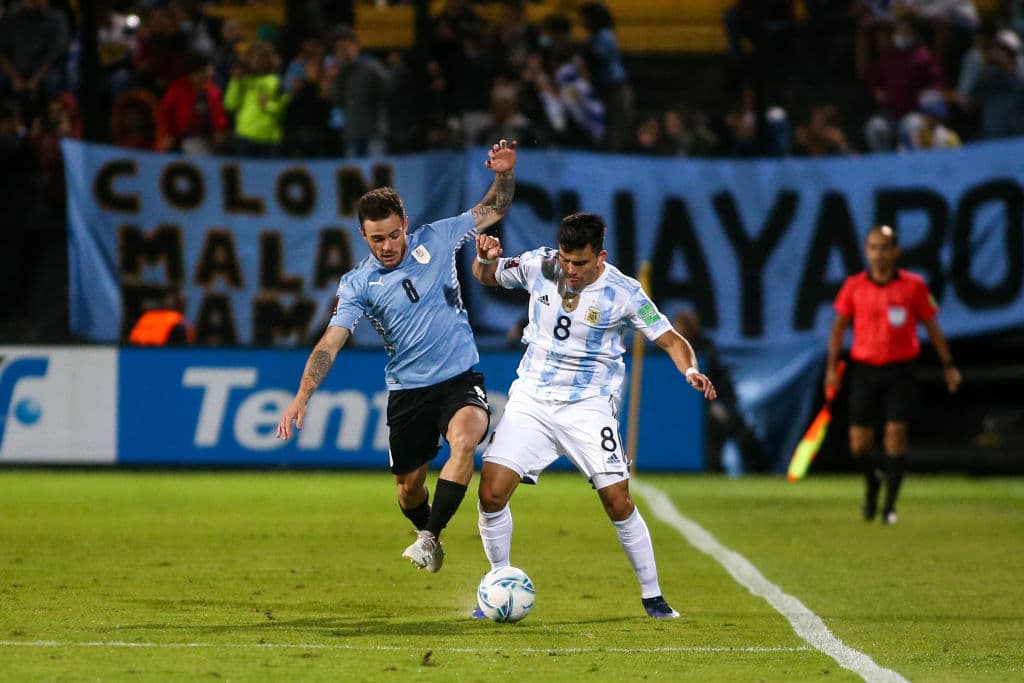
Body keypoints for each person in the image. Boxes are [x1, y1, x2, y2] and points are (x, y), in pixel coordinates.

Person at [276, 139, 518, 573]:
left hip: (460, 378)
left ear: (405, 224)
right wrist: (302, 396)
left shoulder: (439, 237)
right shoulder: (358, 284)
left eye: (393, 234)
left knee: (465, 441)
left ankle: (429, 538)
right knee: (408, 491)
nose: (387, 246)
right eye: (376, 239)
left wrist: (503, 174)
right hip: (408, 391)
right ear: (362, 236)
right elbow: (330, 343)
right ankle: (427, 528)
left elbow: (494, 208)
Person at [471, 212, 717, 619]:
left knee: (617, 500)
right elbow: (487, 276)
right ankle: (501, 581)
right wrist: (483, 259)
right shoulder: (539, 264)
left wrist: (690, 369)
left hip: (589, 406)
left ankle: (653, 597)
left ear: (600, 256)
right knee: (491, 493)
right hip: (531, 399)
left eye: (580, 263)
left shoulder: (625, 292)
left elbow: (672, 340)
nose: (570, 270)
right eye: (566, 260)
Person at [825, 225, 961, 525]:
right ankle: (873, 480)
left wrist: (948, 365)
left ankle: (889, 507)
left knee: (895, 436)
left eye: (884, 248)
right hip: (864, 369)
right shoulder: (854, 286)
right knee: (858, 444)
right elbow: (838, 328)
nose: (878, 254)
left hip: (900, 371)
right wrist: (831, 369)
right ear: (866, 251)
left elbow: (932, 327)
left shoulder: (913, 286)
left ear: (895, 252)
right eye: (873, 248)